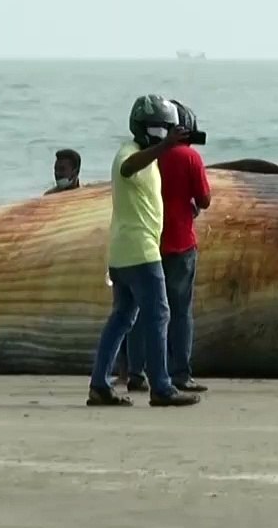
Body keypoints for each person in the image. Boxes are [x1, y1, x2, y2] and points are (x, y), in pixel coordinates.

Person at [84, 94, 201, 408]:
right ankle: (161, 386)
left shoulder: (145, 155)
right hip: (141, 251)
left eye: (166, 128)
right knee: (159, 315)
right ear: (142, 127)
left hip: (124, 251)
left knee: (122, 317)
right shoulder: (131, 152)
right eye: (159, 127)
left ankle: (100, 384)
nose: (163, 133)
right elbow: (128, 168)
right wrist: (164, 147)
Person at [123, 99, 211, 393]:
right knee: (180, 311)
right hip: (181, 243)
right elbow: (204, 200)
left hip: (147, 242)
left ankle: (136, 372)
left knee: (139, 310)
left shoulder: (145, 156)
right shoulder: (190, 158)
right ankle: (180, 373)